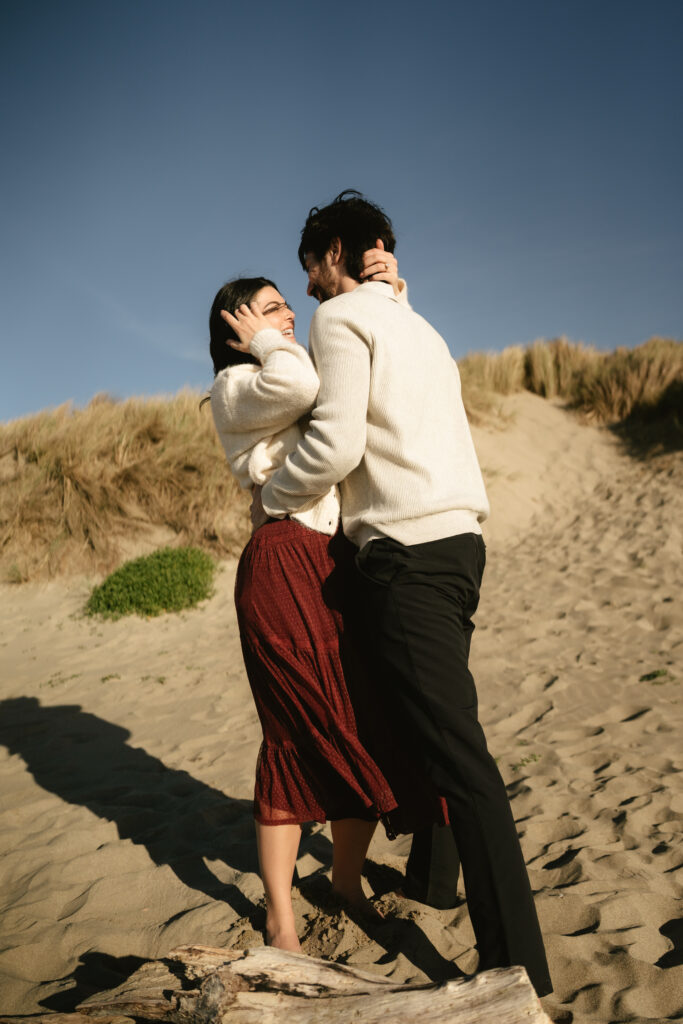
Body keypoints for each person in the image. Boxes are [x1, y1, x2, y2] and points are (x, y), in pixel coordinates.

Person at [256, 191, 553, 997]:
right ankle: (432, 882)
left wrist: (275, 495)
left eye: (311, 267)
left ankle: (517, 965)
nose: (308, 288)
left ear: (336, 255)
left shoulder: (340, 318)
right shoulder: (419, 325)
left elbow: (339, 437)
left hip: (403, 553)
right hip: (461, 546)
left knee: (458, 755)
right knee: (431, 724)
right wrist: (391, 287)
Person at [207, 253, 447, 954]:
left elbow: (382, 369)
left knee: (356, 725)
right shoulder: (238, 383)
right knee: (294, 734)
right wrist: (262, 342)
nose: (288, 316)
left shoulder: (294, 366)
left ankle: (343, 884)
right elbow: (299, 377)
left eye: (286, 305)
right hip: (282, 562)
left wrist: (389, 294)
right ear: (236, 327)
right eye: (270, 307)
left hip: (338, 564)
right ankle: (281, 914)